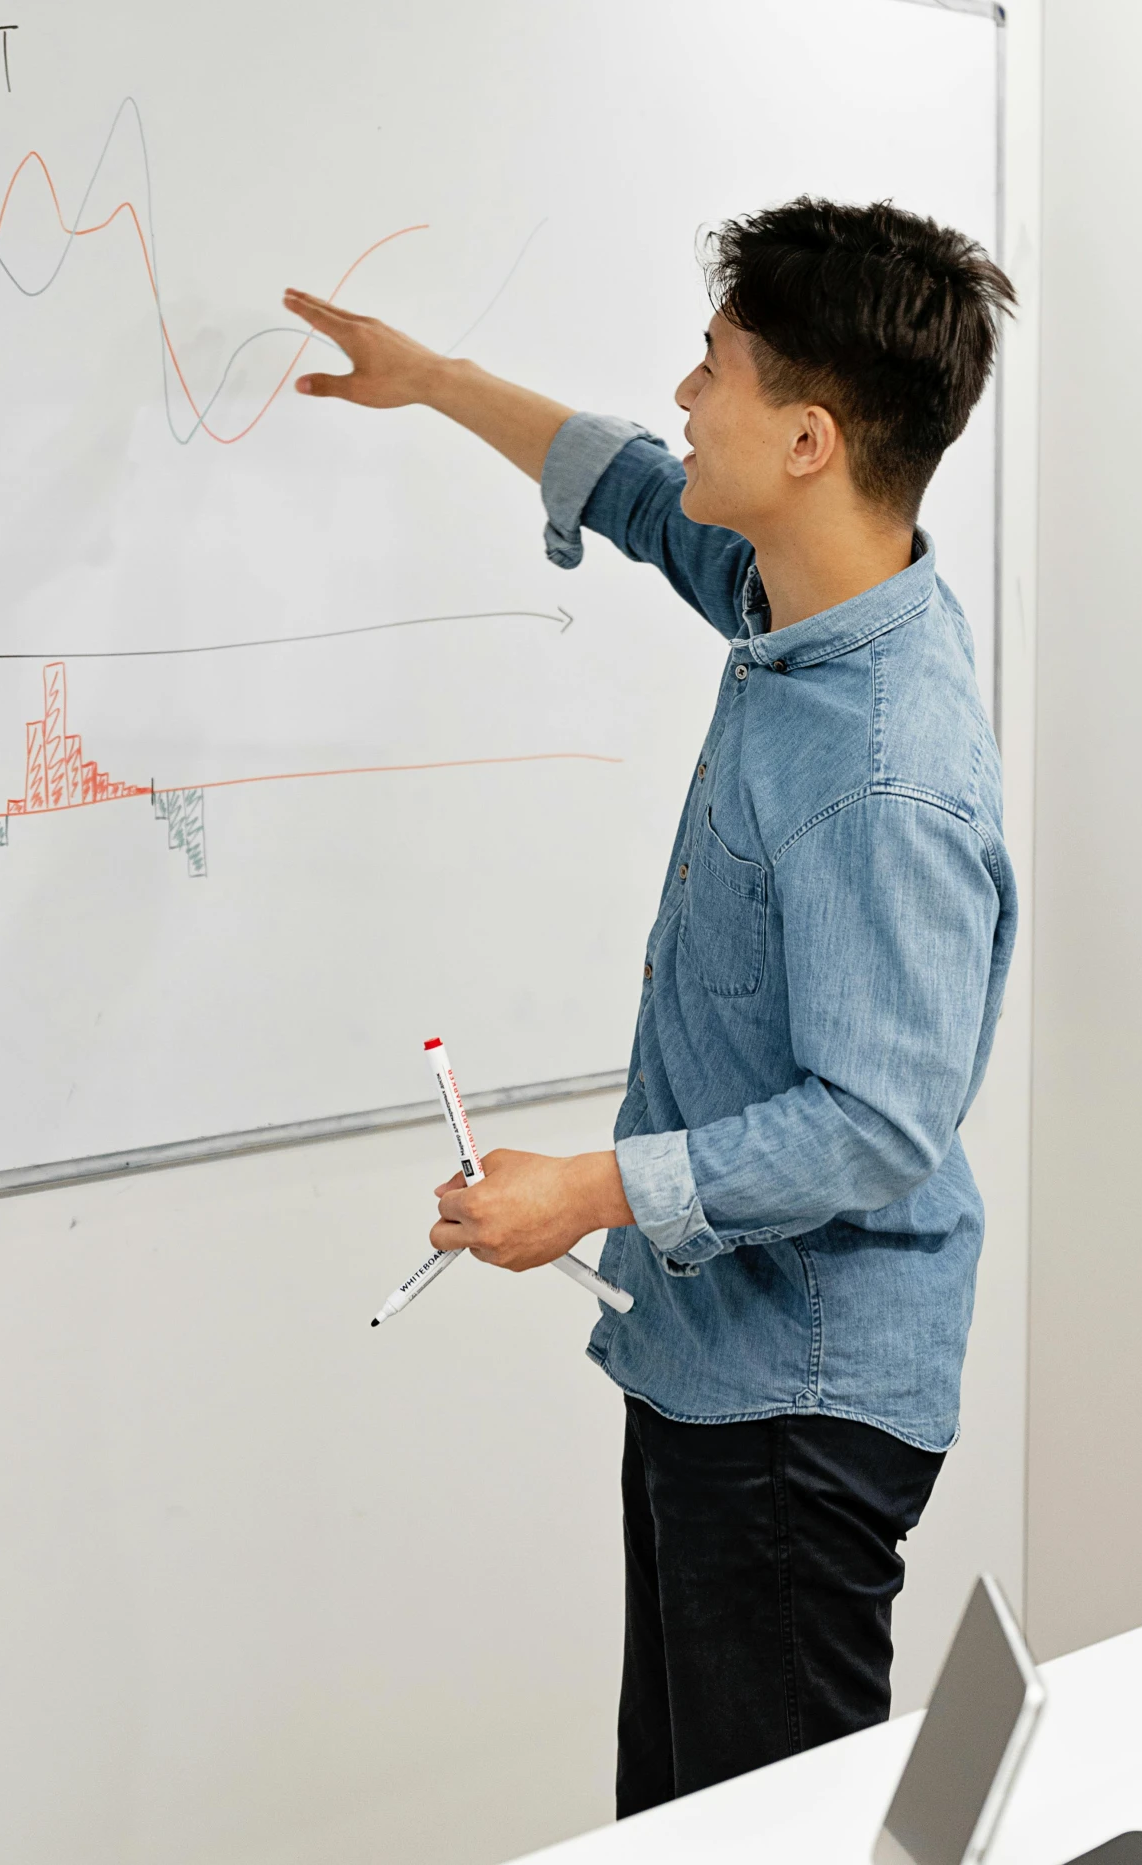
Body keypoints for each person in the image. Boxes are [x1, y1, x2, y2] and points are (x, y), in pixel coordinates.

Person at [284, 196, 1017, 1815]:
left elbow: (880, 1121)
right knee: (686, 1821)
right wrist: (438, 378)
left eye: (714, 368)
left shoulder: (881, 763)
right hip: (720, 1360)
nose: (685, 395)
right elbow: (629, 484)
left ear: (811, 439)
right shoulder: (804, 595)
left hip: (799, 1400)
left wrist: (588, 1193)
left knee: (766, 1833)